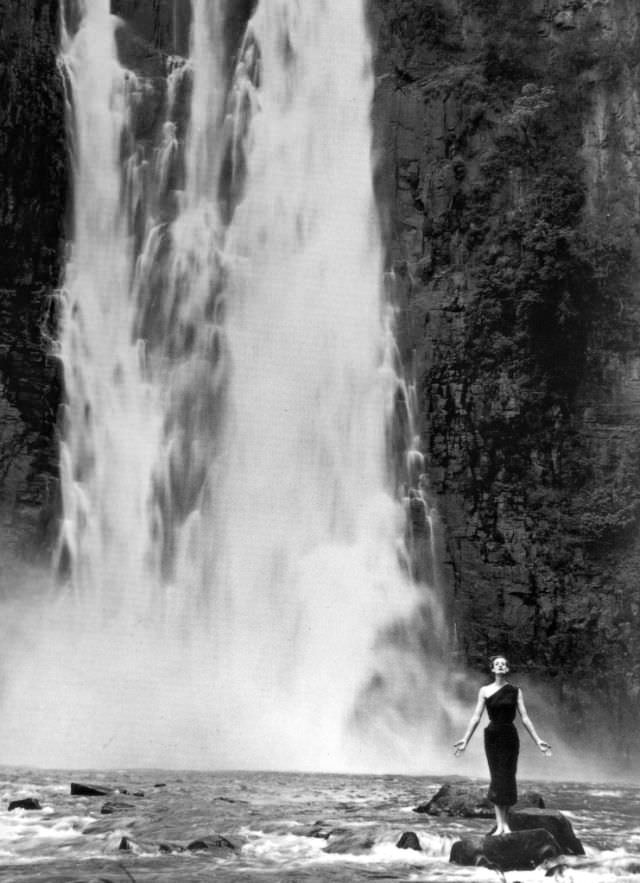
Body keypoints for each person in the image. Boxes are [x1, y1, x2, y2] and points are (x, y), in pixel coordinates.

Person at [453, 654, 551, 835]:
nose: (499, 666)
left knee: (508, 777)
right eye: (496, 664)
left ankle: (506, 824)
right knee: (497, 778)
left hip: (509, 736)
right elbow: (476, 717)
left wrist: (538, 740)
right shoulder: (484, 691)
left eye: (503, 664)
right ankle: (500, 825)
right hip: (492, 736)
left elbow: (525, 718)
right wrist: (465, 739)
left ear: (507, 669)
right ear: (492, 668)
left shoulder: (515, 691)